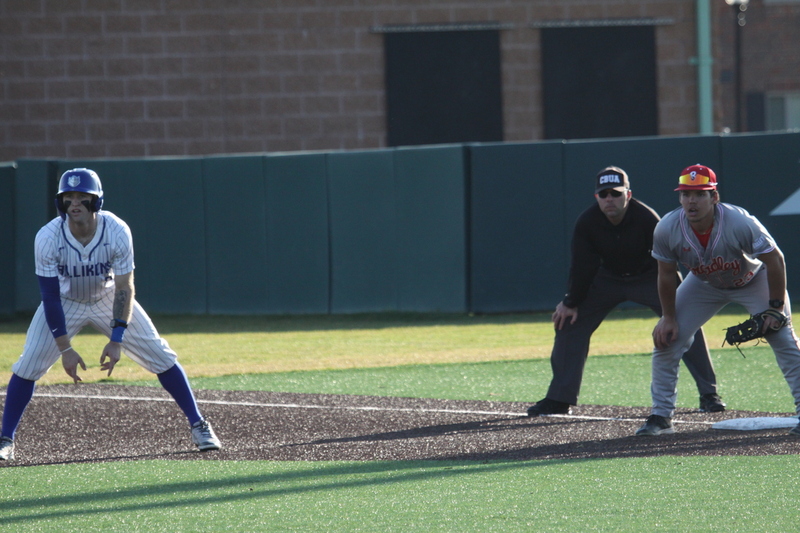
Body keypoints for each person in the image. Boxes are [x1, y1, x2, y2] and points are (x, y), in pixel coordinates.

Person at [0, 168, 221, 461]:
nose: (75, 203)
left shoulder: (116, 230)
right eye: (68, 197)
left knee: (161, 355)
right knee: (28, 365)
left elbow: (124, 287)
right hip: (65, 300)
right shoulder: (48, 237)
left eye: (83, 197)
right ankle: (6, 439)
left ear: (97, 201)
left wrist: (117, 338)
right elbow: (50, 296)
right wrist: (65, 348)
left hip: (108, 297)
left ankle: (199, 424)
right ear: (60, 202)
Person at [527, 166, 724, 417]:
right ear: (597, 197)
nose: (610, 199)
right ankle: (559, 398)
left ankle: (709, 394)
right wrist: (570, 301)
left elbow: (665, 264)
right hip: (607, 280)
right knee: (568, 322)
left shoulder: (647, 218)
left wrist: (676, 305)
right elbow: (582, 266)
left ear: (628, 195)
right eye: (604, 194)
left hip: (649, 277)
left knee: (685, 324)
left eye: (616, 193)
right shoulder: (587, 222)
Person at [636, 164, 800, 436]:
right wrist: (668, 317)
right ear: (680, 198)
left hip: (752, 280)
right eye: (686, 194)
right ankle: (661, 417)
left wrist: (775, 308)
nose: (692, 201)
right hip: (704, 284)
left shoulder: (739, 222)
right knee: (666, 340)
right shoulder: (667, 227)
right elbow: (665, 275)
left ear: (714, 197)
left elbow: (775, 260)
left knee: (782, 337)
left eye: (700, 194)